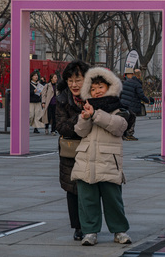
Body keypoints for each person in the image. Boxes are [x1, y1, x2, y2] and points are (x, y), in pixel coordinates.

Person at [71, 67, 132, 246]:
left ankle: (119, 230)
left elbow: (119, 127)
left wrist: (95, 114)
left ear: (110, 87)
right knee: (87, 200)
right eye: (93, 89)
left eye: (100, 87)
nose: (96, 92)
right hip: (86, 161)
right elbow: (80, 132)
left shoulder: (118, 108)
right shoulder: (87, 108)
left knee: (113, 200)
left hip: (108, 161)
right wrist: (84, 118)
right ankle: (90, 232)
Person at [56, 60, 90, 241]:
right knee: (73, 189)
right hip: (71, 152)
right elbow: (61, 127)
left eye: (78, 80)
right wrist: (83, 117)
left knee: (91, 189)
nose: (74, 84)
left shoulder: (96, 96)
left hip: (92, 149)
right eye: (70, 80)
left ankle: (91, 225)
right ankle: (78, 226)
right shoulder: (62, 99)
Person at [120, 68, 153, 141]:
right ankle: (129, 134)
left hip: (123, 103)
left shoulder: (126, 82)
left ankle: (123, 134)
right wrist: (147, 101)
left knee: (125, 119)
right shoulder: (137, 83)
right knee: (132, 119)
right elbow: (141, 95)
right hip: (132, 103)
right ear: (139, 75)